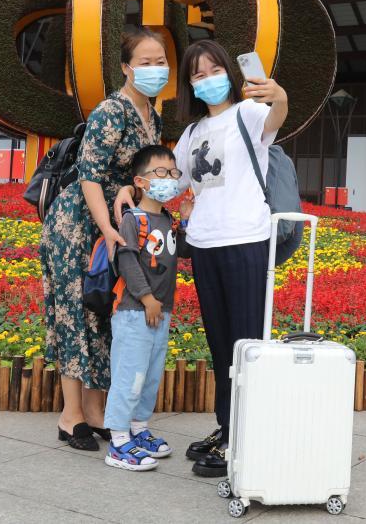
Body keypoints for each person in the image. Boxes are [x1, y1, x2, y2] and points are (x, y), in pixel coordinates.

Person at [116, 40, 288, 478]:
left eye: (213, 70)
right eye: (197, 74)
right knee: (220, 345)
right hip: (206, 246)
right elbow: (173, 184)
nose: (207, 79)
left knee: (247, 342)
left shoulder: (249, 115)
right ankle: (227, 427)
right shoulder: (192, 134)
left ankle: (245, 440)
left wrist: (278, 94)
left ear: (229, 72)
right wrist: (130, 191)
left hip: (247, 240)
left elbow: (277, 117)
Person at [39, 26, 168, 450]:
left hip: (120, 224)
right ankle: (70, 415)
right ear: (127, 67)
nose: (155, 69)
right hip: (80, 224)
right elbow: (90, 176)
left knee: (103, 315)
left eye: (161, 61)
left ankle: (95, 412)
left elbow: (141, 175)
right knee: (77, 311)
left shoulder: (153, 114)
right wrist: (109, 229)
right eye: (146, 62)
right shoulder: (112, 111)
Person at [104, 145, 190, 471]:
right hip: (135, 312)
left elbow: (182, 251)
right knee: (131, 375)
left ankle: (138, 429)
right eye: (162, 173)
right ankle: (118, 440)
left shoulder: (167, 219)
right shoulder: (133, 219)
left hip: (160, 313)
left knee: (150, 376)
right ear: (140, 181)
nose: (169, 179)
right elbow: (125, 259)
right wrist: (146, 297)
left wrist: (189, 217)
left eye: (173, 173)